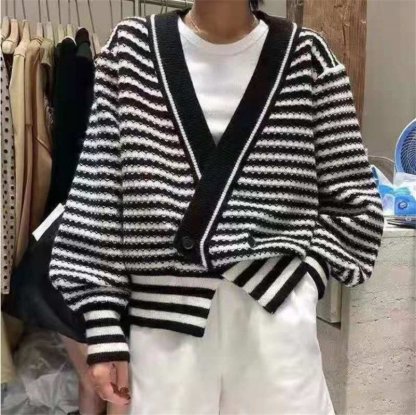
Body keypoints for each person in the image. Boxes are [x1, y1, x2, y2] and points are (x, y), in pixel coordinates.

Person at [48, 0, 385, 413]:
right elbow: (98, 196)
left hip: (273, 319)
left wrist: (305, 279)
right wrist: (103, 325)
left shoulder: (307, 57)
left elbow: (356, 204)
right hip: (165, 326)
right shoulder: (131, 50)